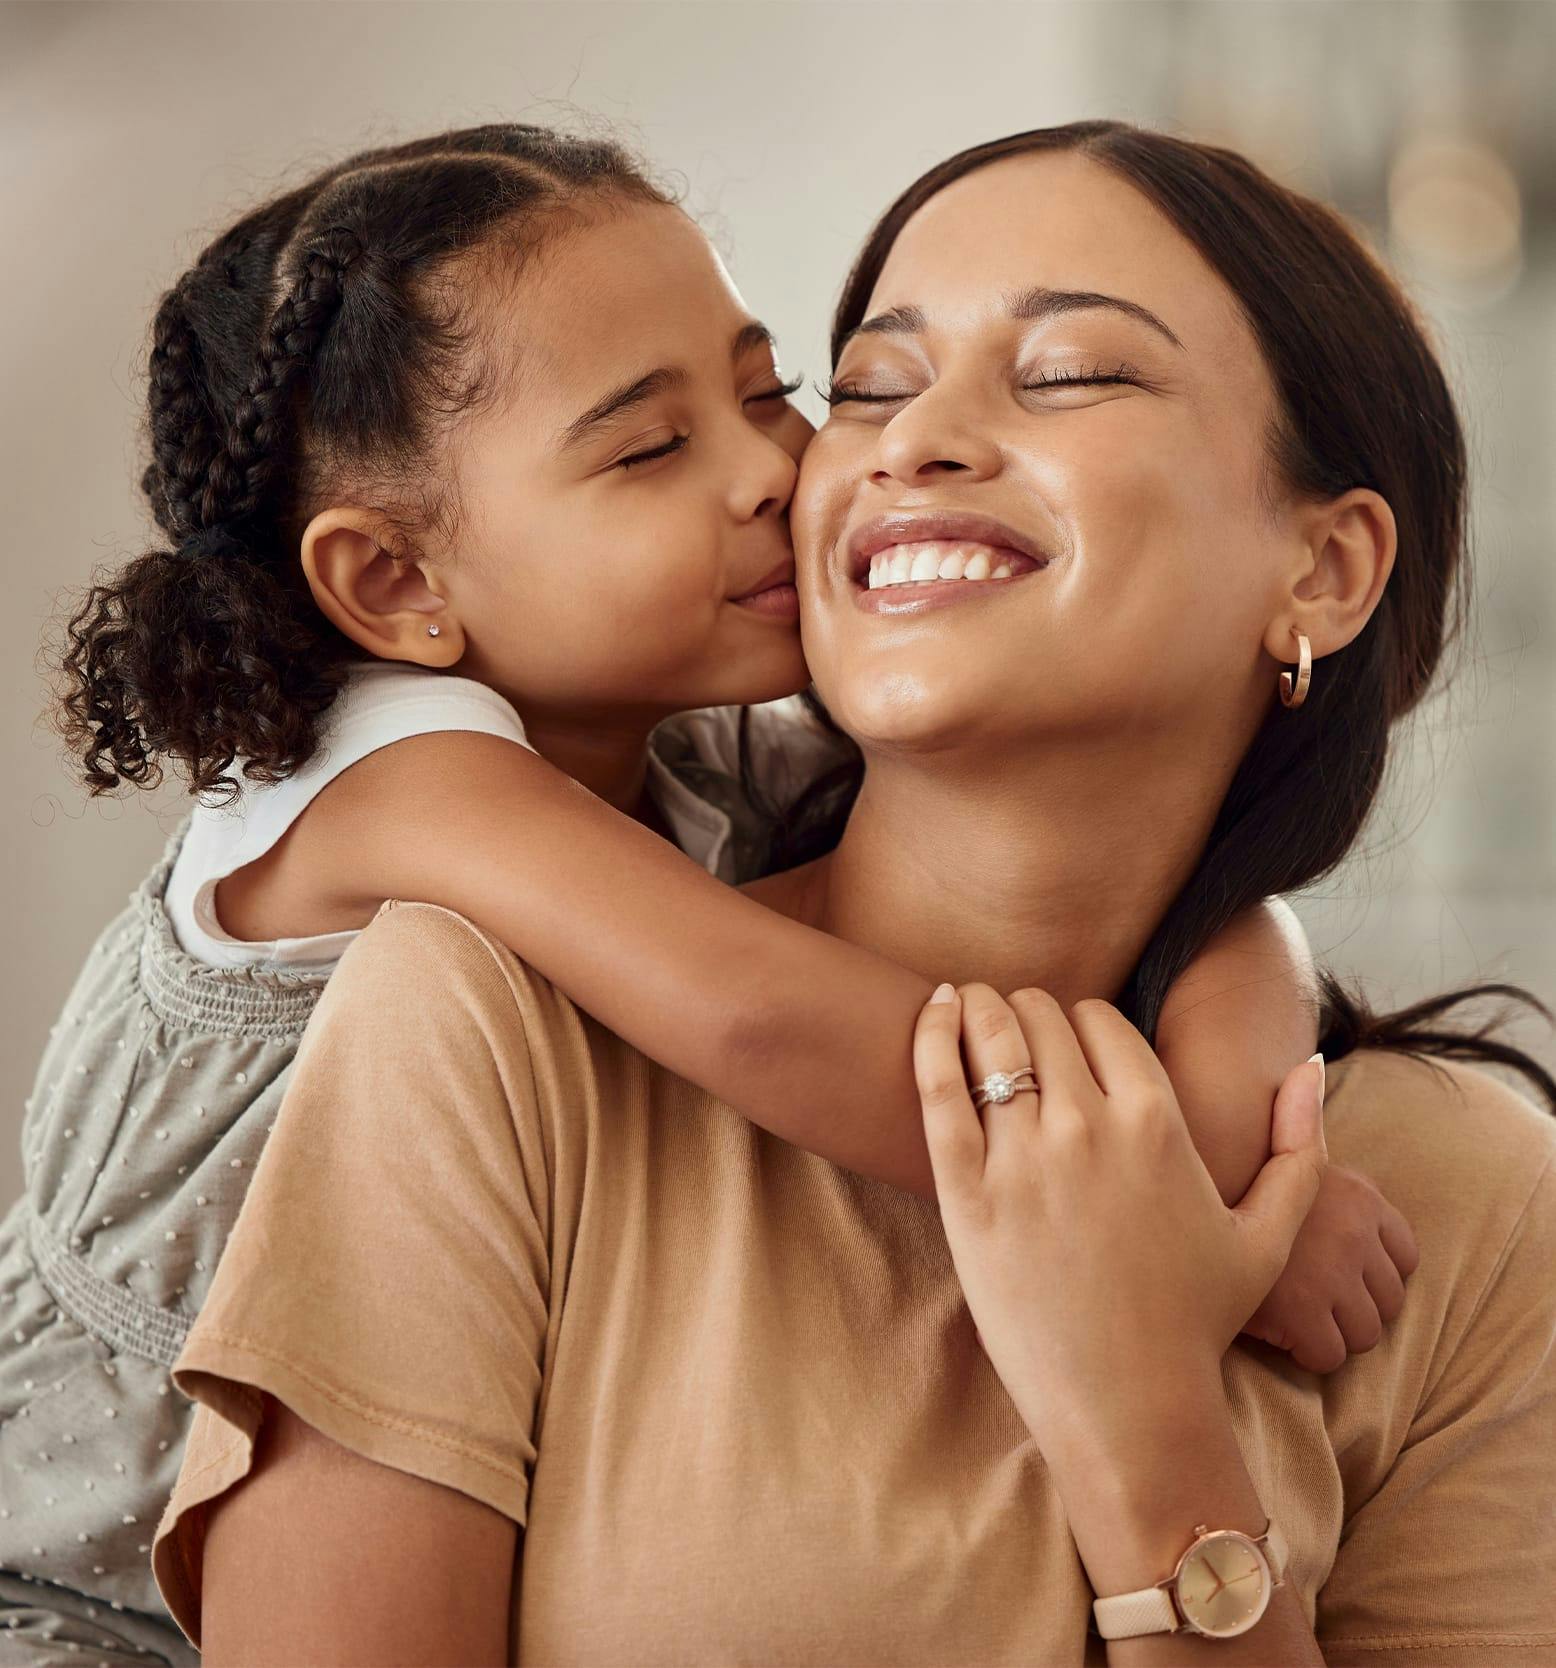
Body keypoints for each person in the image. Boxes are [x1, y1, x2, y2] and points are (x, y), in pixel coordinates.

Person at [150, 122, 1556, 1663]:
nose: (897, 443)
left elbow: (1230, 920)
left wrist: (1151, 1436)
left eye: (1073, 370)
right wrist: (1187, 1201)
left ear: (1328, 570)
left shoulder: (1474, 1205)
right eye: (873, 385)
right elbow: (754, 1014)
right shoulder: (485, 1004)